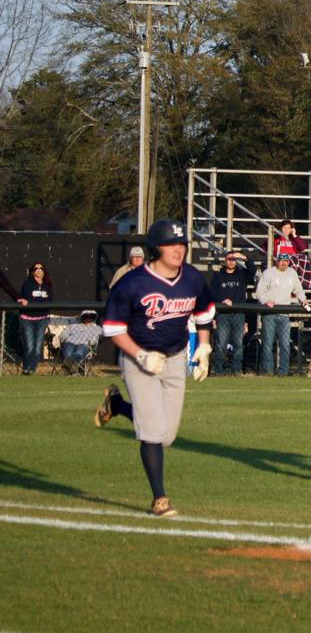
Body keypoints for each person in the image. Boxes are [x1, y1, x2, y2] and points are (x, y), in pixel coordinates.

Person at [99, 218, 215, 518]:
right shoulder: (132, 282)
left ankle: (117, 405)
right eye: (171, 244)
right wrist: (140, 356)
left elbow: (203, 313)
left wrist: (203, 347)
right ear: (156, 249)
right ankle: (159, 498)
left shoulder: (191, 277)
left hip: (175, 357)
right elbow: (113, 329)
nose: (179, 250)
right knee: (152, 431)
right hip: (140, 359)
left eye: (182, 244)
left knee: (167, 435)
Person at [255, 254, 310, 376]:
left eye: (286, 261)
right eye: (281, 261)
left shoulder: (292, 273)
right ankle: (268, 371)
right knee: (268, 343)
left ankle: (283, 372)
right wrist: (266, 301)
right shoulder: (268, 273)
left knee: (285, 344)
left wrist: (303, 299)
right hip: (269, 313)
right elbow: (259, 291)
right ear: (277, 261)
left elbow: (298, 290)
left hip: (284, 314)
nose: (284, 263)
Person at [210, 251, 251, 375]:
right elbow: (211, 294)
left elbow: (252, 270)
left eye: (234, 259)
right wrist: (221, 300)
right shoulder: (218, 276)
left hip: (238, 314)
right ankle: (219, 371)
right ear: (224, 260)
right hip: (223, 315)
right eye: (229, 259)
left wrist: (243, 257)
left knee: (238, 345)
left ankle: (236, 371)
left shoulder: (241, 274)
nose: (231, 261)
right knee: (221, 345)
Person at [17, 261, 53, 374]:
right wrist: (38, 301)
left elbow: (49, 300)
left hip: (42, 319)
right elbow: (27, 299)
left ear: (44, 271)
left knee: (38, 349)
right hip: (27, 319)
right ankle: (27, 369)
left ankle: (30, 369)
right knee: (29, 347)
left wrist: (38, 302)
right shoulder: (27, 284)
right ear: (32, 272)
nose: (38, 270)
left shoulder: (47, 285)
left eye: (41, 268)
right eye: (36, 268)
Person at [273, 219, 311, 291]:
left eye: (288, 228)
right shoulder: (276, 239)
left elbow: (303, 247)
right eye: (284, 228)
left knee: (304, 258)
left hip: (295, 261)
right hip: (282, 260)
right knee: (293, 259)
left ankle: (302, 284)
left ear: (291, 229)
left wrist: (294, 235)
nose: (286, 230)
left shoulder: (294, 239)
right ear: (281, 229)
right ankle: (294, 284)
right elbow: (266, 248)